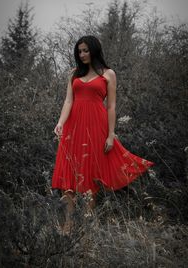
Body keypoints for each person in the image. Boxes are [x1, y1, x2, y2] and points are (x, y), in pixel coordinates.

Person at [52, 35, 155, 234]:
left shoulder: (108, 74)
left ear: (94, 50)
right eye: (79, 51)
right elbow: (68, 101)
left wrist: (110, 135)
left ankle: (86, 227)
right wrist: (60, 123)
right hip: (73, 128)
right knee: (69, 175)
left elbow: (111, 106)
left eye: (85, 50)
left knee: (91, 175)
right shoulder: (74, 73)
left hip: (96, 128)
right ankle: (67, 227)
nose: (82, 54)